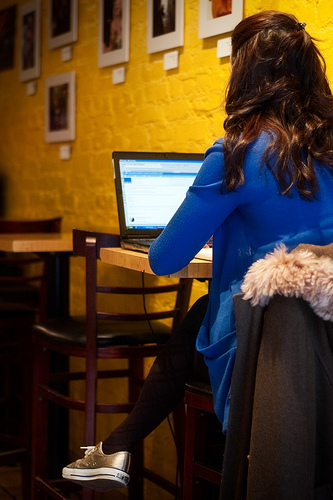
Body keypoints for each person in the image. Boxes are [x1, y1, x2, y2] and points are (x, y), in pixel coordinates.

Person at [62, 10, 333, 493]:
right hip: (322, 340)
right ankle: (118, 446)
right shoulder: (327, 150)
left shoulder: (240, 152)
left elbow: (163, 259)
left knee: (203, 314)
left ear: (247, 75)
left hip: (266, 344)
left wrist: (219, 220)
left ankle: (119, 447)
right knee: (203, 310)